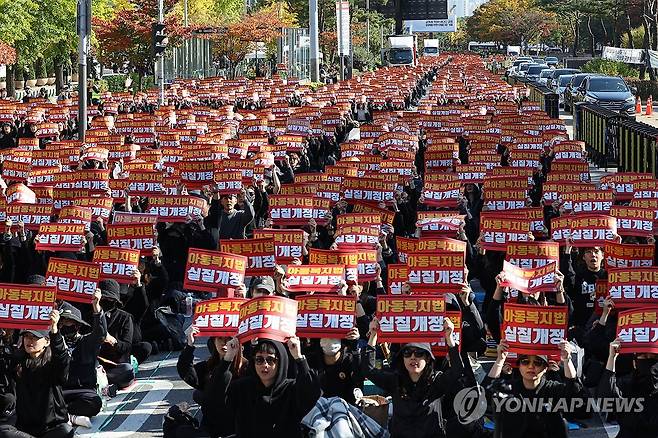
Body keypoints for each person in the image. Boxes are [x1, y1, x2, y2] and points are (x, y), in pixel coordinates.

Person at [361, 317, 465, 438]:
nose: (413, 357)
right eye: (407, 353)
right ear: (402, 358)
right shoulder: (395, 380)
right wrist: (373, 335)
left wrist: (449, 338)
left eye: (419, 353)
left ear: (427, 358)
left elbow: (457, 371)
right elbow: (368, 371)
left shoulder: (436, 381)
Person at [484, 339, 583, 438]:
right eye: (525, 362)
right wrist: (499, 360)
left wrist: (567, 359)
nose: (531, 366)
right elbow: (487, 394)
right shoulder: (508, 389)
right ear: (519, 366)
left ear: (545, 368)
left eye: (537, 362)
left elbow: (574, 392)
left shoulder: (553, 389)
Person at [225, 336, 321, 437]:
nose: (265, 365)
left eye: (270, 360)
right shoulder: (241, 388)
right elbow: (214, 400)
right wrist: (228, 358)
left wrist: (298, 357)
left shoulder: (291, 388)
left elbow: (312, 393)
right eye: (259, 360)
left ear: (280, 362)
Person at [175, 327, 247, 438]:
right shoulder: (208, 366)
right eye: (220, 338)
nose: (224, 343)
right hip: (211, 427)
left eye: (228, 339)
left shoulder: (247, 368)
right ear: (214, 341)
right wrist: (190, 345)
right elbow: (187, 373)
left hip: (237, 427)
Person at [15, 309, 74, 438]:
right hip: (24, 428)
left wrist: (54, 329)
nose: (29, 341)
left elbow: (62, 359)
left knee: (66, 430)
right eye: (26, 336)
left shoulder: (52, 364)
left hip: (50, 428)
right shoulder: (17, 362)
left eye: (34, 337)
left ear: (47, 341)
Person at [59, 289, 106, 428]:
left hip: (82, 392)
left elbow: (100, 333)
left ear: (77, 325)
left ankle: (63, 415)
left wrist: (96, 307)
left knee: (94, 402)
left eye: (66, 322)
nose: (62, 325)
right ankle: (68, 416)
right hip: (59, 391)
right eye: (60, 322)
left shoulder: (87, 342)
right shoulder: (55, 342)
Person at [598, 338, 658, 438]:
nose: (648, 361)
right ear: (634, 363)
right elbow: (606, 398)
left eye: (654, 358)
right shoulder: (626, 384)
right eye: (643, 356)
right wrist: (612, 357)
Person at [307, 327, 363, 404]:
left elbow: (359, 377)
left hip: (344, 408)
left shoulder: (349, 360)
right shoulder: (312, 361)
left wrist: (355, 347)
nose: (329, 340)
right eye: (325, 337)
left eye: (334, 337)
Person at [98, 279, 136, 390]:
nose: (106, 301)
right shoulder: (90, 316)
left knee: (127, 370)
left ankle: (102, 381)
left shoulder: (125, 318)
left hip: (115, 365)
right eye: (104, 298)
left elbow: (127, 347)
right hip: (93, 364)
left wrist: (112, 341)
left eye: (109, 299)